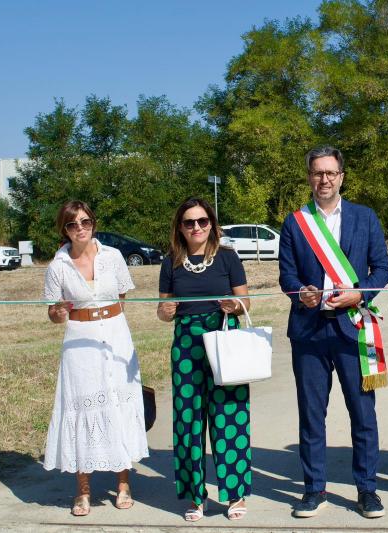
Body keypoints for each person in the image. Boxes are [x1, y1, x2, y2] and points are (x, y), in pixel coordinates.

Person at [279, 146, 388, 519]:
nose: (323, 179)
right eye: (317, 173)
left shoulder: (364, 217)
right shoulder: (296, 222)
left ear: (342, 175)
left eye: (330, 173)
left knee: (363, 414)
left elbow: (381, 269)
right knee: (312, 416)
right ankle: (314, 489)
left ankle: (368, 490)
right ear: (309, 177)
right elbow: (287, 275)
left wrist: (361, 292)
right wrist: (301, 293)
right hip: (309, 333)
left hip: (353, 329)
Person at [43, 200, 149, 517]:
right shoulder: (56, 267)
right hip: (79, 342)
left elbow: (122, 298)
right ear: (64, 229)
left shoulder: (113, 257)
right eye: (73, 224)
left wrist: (112, 326)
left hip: (116, 337)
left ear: (93, 223)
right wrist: (60, 313)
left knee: (118, 405)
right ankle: (83, 490)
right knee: (81, 406)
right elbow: (53, 313)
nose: (81, 229)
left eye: (86, 222)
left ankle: (124, 484)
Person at [157, 197, 252, 522]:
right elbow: (163, 310)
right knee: (188, 421)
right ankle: (196, 496)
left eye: (202, 221)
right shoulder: (171, 261)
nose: (196, 227)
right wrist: (165, 312)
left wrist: (235, 307)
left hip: (224, 338)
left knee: (230, 416)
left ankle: (235, 493)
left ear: (212, 224)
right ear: (179, 227)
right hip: (186, 344)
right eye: (189, 222)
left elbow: (246, 302)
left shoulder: (227, 258)